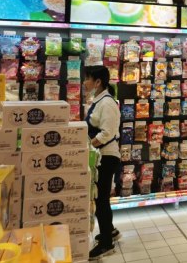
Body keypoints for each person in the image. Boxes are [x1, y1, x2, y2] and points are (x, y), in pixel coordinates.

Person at [84, 66, 122, 260]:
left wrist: (86, 146)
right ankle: (111, 231)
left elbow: (107, 133)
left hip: (106, 157)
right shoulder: (100, 101)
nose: (84, 83)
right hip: (102, 156)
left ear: (97, 82)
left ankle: (106, 243)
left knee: (101, 200)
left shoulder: (106, 103)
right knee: (101, 198)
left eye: (87, 79)